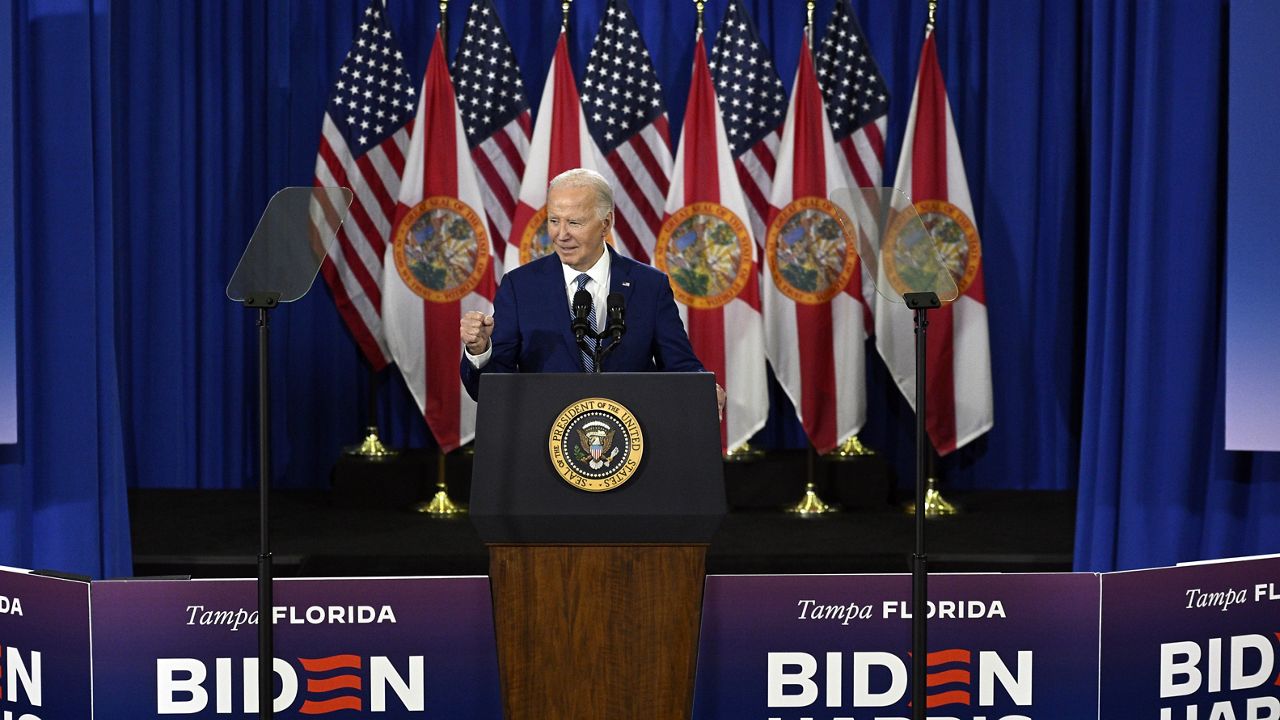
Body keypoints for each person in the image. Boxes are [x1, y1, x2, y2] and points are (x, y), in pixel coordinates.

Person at [459, 168, 724, 414]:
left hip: (630, 441)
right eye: (554, 220)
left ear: (606, 224)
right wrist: (480, 351)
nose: (561, 234)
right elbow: (490, 389)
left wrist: (702, 389)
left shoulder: (649, 286)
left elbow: (679, 365)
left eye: (574, 223)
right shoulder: (521, 287)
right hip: (546, 440)